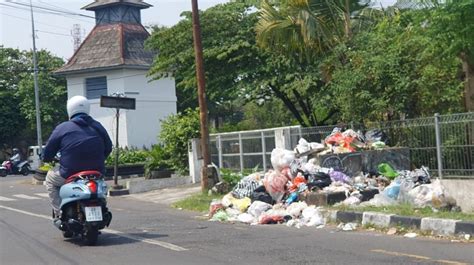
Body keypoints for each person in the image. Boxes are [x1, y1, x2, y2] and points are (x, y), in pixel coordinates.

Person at [42, 95, 112, 223]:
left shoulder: (62, 128)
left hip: (69, 172)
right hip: (96, 172)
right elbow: (108, 147)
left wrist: (46, 158)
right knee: (101, 187)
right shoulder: (98, 126)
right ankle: (102, 205)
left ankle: (59, 212)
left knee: (50, 180)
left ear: (70, 110)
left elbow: (48, 151)